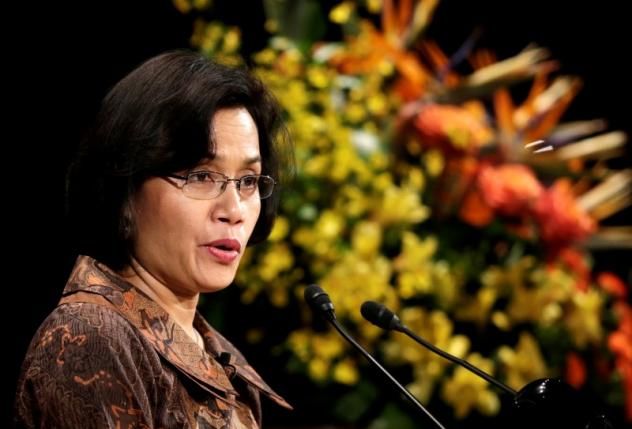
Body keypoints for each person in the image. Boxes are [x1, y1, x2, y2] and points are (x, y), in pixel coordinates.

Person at [14, 50, 294, 428]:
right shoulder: (92, 338)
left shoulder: (218, 358)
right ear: (125, 190)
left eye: (247, 181)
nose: (234, 209)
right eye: (200, 176)